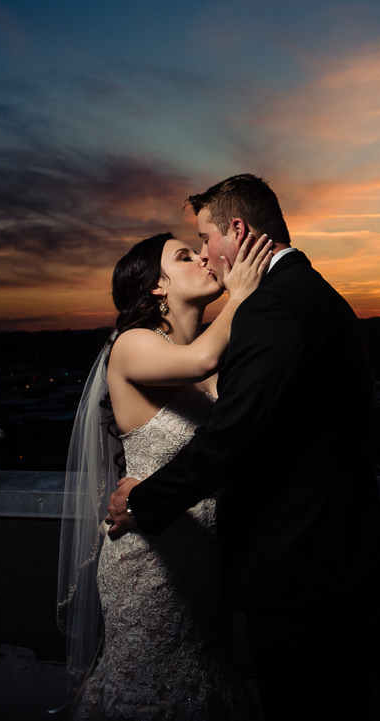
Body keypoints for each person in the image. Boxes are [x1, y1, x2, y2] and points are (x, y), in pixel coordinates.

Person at [105, 174, 380, 721]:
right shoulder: (309, 293)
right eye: (189, 255)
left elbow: (230, 438)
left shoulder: (272, 306)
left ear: (237, 229)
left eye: (204, 241)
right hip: (304, 555)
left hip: (299, 562)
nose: (207, 257)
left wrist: (144, 501)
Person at [56, 229, 274, 720]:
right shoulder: (133, 344)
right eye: (184, 256)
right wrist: (239, 294)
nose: (202, 258)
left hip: (204, 562)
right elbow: (201, 359)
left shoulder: (208, 349)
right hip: (149, 562)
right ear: (158, 286)